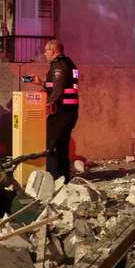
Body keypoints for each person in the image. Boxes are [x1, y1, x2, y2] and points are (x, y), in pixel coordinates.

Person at [40, 39, 79, 181]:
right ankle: (63, 179)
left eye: (46, 50)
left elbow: (58, 89)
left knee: (52, 146)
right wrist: (41, 83)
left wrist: (48, 105)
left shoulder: (58, 65)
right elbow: (59, 84)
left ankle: (53, 179)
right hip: (69, 112)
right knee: (62, 146)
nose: (44, 54)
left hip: (60, 112)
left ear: (53, 51)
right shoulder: (69, 63)